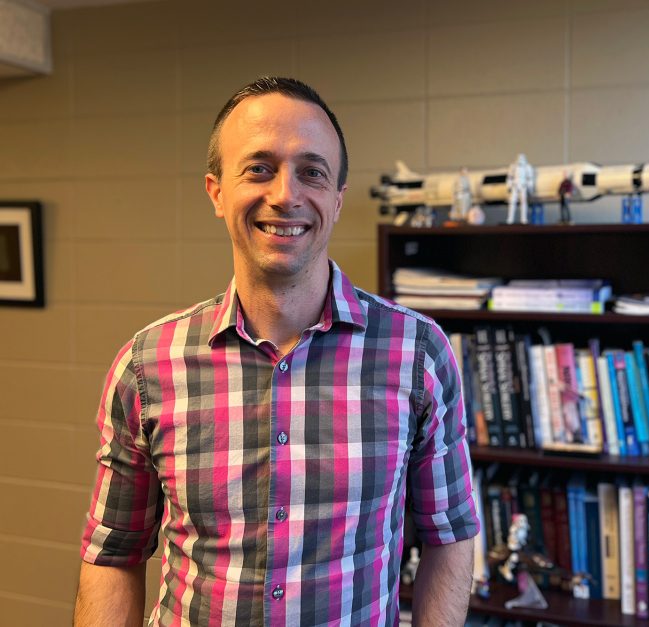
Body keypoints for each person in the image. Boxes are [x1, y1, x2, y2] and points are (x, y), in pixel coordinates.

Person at [73, 77, 479, 627]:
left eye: (312, 172)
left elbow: (449, 536)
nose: (286, 194)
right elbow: (114, 553)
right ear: (216, 192)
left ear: (337, 199)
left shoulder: (418, 354)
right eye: (259, 169)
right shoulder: (146, 367)